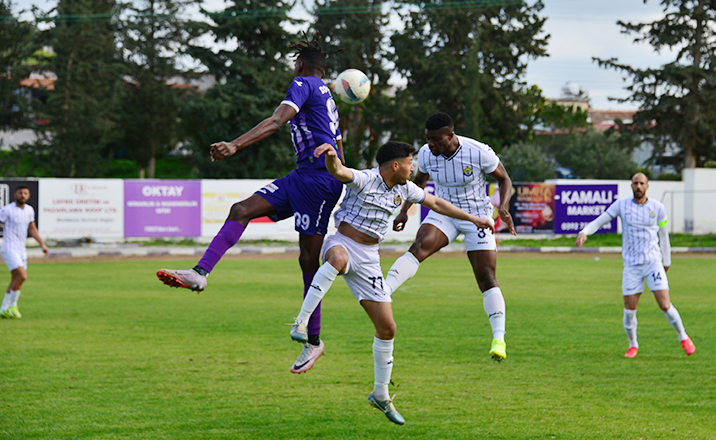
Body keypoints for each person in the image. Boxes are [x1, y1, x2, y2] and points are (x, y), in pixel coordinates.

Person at [156, 35, 344, 374]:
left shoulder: (303, 83)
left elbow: (276, 120)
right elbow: (339, 147)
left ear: (300, 65)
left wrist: (235, 145)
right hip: (302, 176)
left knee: (307, 260)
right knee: (240, 210)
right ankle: (200, 273)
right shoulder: (329, 99)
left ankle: (314, 341)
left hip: (318, 182)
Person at [288, 141, 494, 425]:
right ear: (396, 165)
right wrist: (332, 158)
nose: (414, 168)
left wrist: (473, 218)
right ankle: (301, 322)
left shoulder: (405, 189)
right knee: (335, 259)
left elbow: (436, 203)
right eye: (411, 162)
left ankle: (380, 394)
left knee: (387, 328)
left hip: (370, 259)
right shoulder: (367, 178)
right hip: (343, 243)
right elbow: (341, 172)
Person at [384, 112, 516, 362]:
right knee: (419, 247)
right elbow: (419, 183)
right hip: (443, 212)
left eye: (436, 139)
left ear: (450, 136)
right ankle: (382, 292)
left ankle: (499, 339)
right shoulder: (425, 153)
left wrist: (504, 207)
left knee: (487, 277)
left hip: (477, 215)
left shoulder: (478, 152)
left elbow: (504, 178)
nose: (431, 144)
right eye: (428, 139)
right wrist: (404, 212)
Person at [575, 173, 695, 358]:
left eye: (642, 183)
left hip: (653, 262)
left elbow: (664, 235)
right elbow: (601, 220)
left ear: (647, 186)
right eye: (635, 183)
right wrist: (585, 232)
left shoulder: (658, 208)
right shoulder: (621, 205)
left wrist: (667, 261)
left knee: (664, 304)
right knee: (630, 309)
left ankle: (684, 337)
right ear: (631, 186)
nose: (638, 186)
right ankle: (633, 345)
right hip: (631, 265)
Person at [1, 186, 49, 319]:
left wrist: (42, 244)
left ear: (28, 196)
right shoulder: (7, 210)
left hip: (21, 250)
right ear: (15, 194)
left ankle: (4, 308)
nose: (23, 195)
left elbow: (32, 229)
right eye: (20, 193)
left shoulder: (29, 210)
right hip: (9, 248)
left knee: (16, 279)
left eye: (25, 193)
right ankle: (13, 306)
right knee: (22, 276)